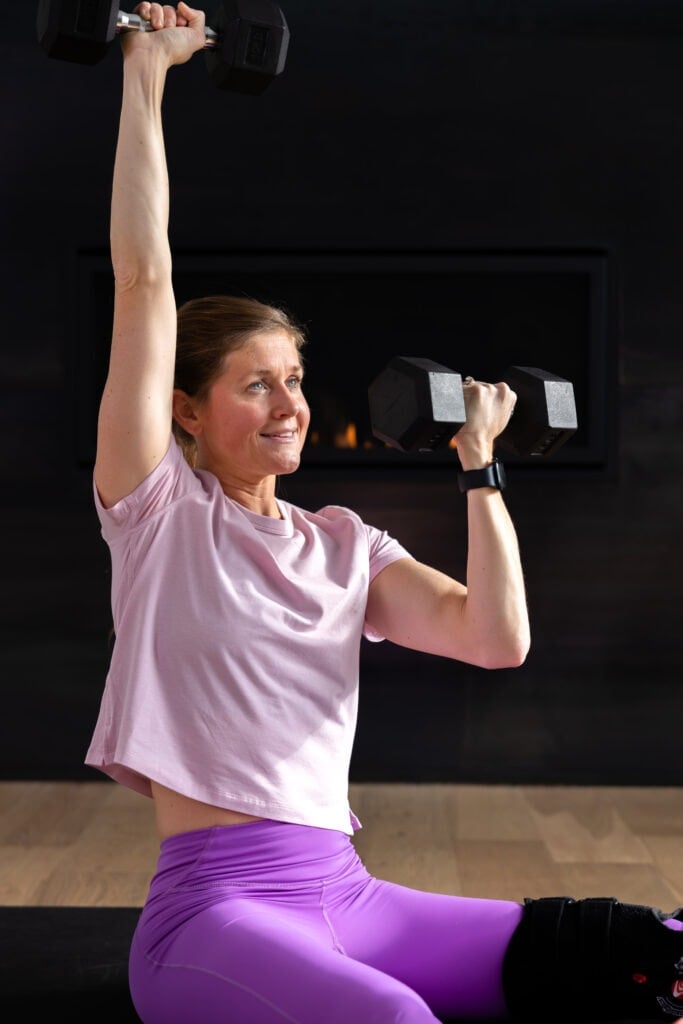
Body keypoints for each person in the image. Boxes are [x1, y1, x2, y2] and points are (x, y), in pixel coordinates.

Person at [87, 4, 683, 1021]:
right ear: (186, 408)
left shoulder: (343, 544)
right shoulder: (158, 514)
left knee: (641, 949)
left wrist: (479, 469)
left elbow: (493, 640)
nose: (291, 405)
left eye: (296, 379)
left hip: (351, 898)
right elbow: (144, 280)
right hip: (215, 915)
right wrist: (145, 74)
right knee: (393, 1019)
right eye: (256, 385)